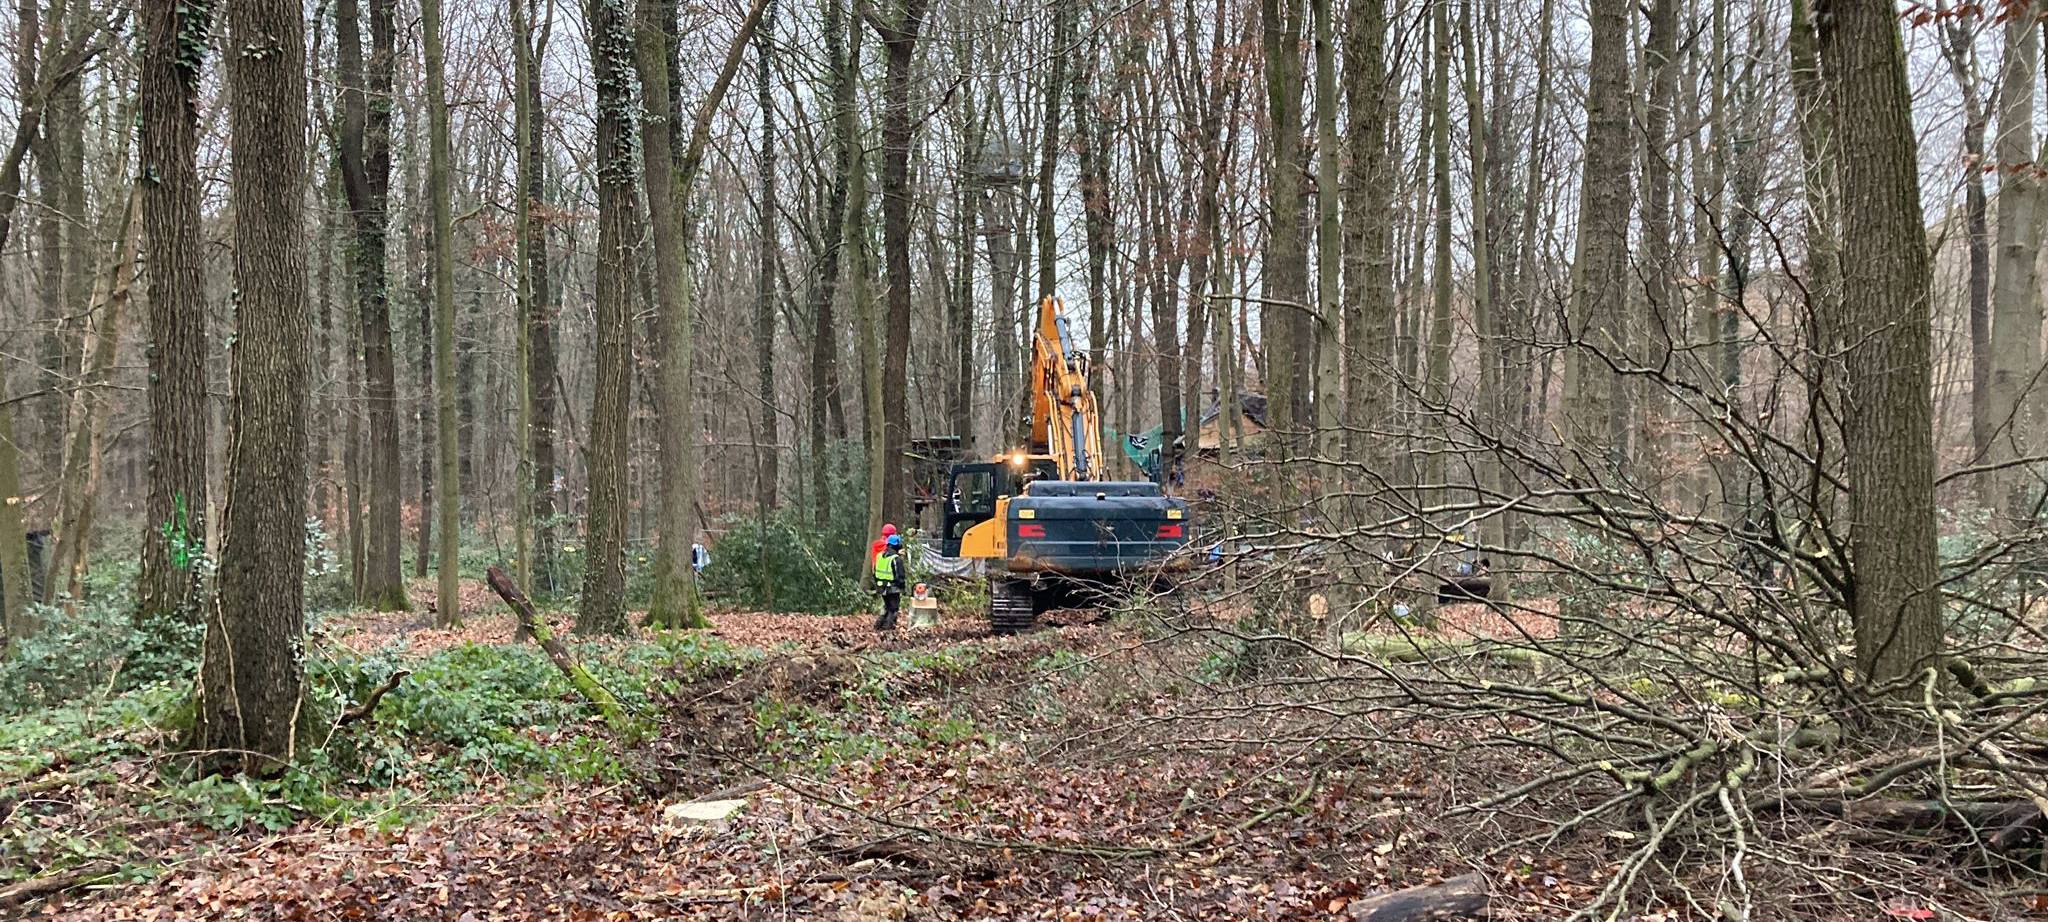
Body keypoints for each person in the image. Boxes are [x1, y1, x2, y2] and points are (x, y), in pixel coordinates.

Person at [873, 533, 907, 632]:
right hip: (892, 588)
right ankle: (888, 629)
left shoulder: (880, 556)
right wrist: (902, 588)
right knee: (893, 609)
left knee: (887, 607)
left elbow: (874, 572)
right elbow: (900, 576)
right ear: (896, 545)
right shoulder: (896, 559)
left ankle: (878, 626)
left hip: (881, 587)